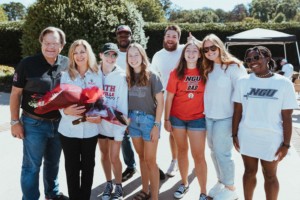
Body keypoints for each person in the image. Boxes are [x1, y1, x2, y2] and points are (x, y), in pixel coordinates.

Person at [10, 26, 69, 200]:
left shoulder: (67, 63)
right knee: (31, 166)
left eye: (55, 43)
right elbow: (15, 93)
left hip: (59, 123)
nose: (50, 47)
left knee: (53, 163)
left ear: (62, 46)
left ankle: (52, 193)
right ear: (41, 43)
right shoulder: (27, 64)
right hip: (33, 124)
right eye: (47, 43)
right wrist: (15, 122)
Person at [232, 46, 298, 200]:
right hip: (247, 135)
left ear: (268, 59)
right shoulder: (243, 82)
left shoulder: (283, 83)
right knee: (249, 172)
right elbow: (237, 111)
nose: (252, 62)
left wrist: (286, 144)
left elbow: (287, 117)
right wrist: (234, 134)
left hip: (272, 138)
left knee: (270, 175)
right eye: (249, 60)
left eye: (256, 57)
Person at [202, 33, 247, 200]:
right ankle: (221, 182)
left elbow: (242, 95)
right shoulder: (208, 67)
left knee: (223, 153)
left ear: (220, 46)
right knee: (214, 152)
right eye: (206, 49)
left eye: (213, 47)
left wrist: (240, 120)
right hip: (209, 117)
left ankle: (231, 187)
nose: (209, 51)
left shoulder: (234, 66)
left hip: (226, 117)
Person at [164, 40, 208, 200]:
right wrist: (166, 119)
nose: (191, 53)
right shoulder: (176, 73)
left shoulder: (205, 72)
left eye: (194, 51)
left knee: (199, 156)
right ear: (183, 54)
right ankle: (184, 183)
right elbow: (169, 97)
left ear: (199, 54)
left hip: (198, 119)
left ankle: (203, 192)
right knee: (182, 151)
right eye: (187, 50)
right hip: (177, 119)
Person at [58, 39, 102, 200]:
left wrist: (100, 117)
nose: (79, 55)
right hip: (68, 130)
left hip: (90, 129)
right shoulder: (65, 76)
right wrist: (65, 110)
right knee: (72, 168)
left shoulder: (98, 74)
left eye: (82, 51)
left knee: (88, 166)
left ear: (88, 53)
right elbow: (58, 101)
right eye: (75, 53)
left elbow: (102, 101)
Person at [126, 43, 164, 200]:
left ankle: (154, 196)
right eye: (130, 55)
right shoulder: (127, 77)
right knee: (141, 157)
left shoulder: (152, 76)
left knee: (151, 161)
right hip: (132, 121)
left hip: (149, 122)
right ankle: (144, 190)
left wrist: (156, 125)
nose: (133, 58)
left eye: (136, 55)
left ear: (142, 56)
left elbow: (160, 102)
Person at [150, 25, 184, 177]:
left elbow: (207, 47)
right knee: (172, 132)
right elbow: (152, 77)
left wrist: (194, 41)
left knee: (189, 132)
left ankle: (192, 160)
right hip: (165, 99)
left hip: (185, 99)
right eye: (168, 36)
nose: (171, 39)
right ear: (164, 37)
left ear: (178, 39)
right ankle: (174, 160)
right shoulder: (158, 55)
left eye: (174, 36)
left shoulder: (185, 50)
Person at [97, 43, 128, 200]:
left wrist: (121, 126)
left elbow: (123, 103)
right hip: (99, 123)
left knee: (114, 156)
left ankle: (119, 186)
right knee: (103, 154)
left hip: (115, 123)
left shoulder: (121, 76)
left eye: (114, 55)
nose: (111, 58)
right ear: (101, 55)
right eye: (108, 54)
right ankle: (108, 183)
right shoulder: (94, 72)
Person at [115, 25, 137, 182]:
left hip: (136, 100)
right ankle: (131, 166)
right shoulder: (113, 54)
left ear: (131, 35)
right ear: (117, 36)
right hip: (118, 101)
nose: (123, 36)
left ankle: (153, 165)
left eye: (126, 34)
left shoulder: (135, 52)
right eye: (120, 34)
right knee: (123, 136)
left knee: (141, 133)